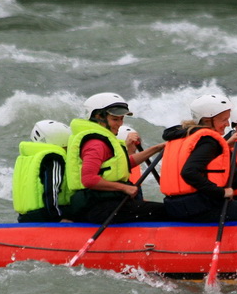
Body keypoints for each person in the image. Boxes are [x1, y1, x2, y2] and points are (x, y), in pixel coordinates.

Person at [160, 94, 237, 222]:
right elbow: (189, 172)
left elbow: (204, 162)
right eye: (223, 120)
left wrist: (223, 146)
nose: (227, 124)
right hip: (199, 207)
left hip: (177, 206)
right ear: (208, 121)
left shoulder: (184, 135)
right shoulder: (208, 140)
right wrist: (221, 193)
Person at [63, 92, 168, 224]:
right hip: (100, 207)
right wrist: (124, 188)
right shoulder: (96, 143)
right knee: (168, 210)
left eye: (121, 119)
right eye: (115, 119)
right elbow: (89, 179)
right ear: (98, 116)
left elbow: (125, 163)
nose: (120, 124)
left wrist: (156, 148)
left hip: (105, 204)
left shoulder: (102, 139)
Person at [13, 119, 72, 222]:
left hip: (25, 217)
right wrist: (58, 218)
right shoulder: (54, 157)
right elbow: (51, 189)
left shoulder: (27, 157)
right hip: (47, 215)